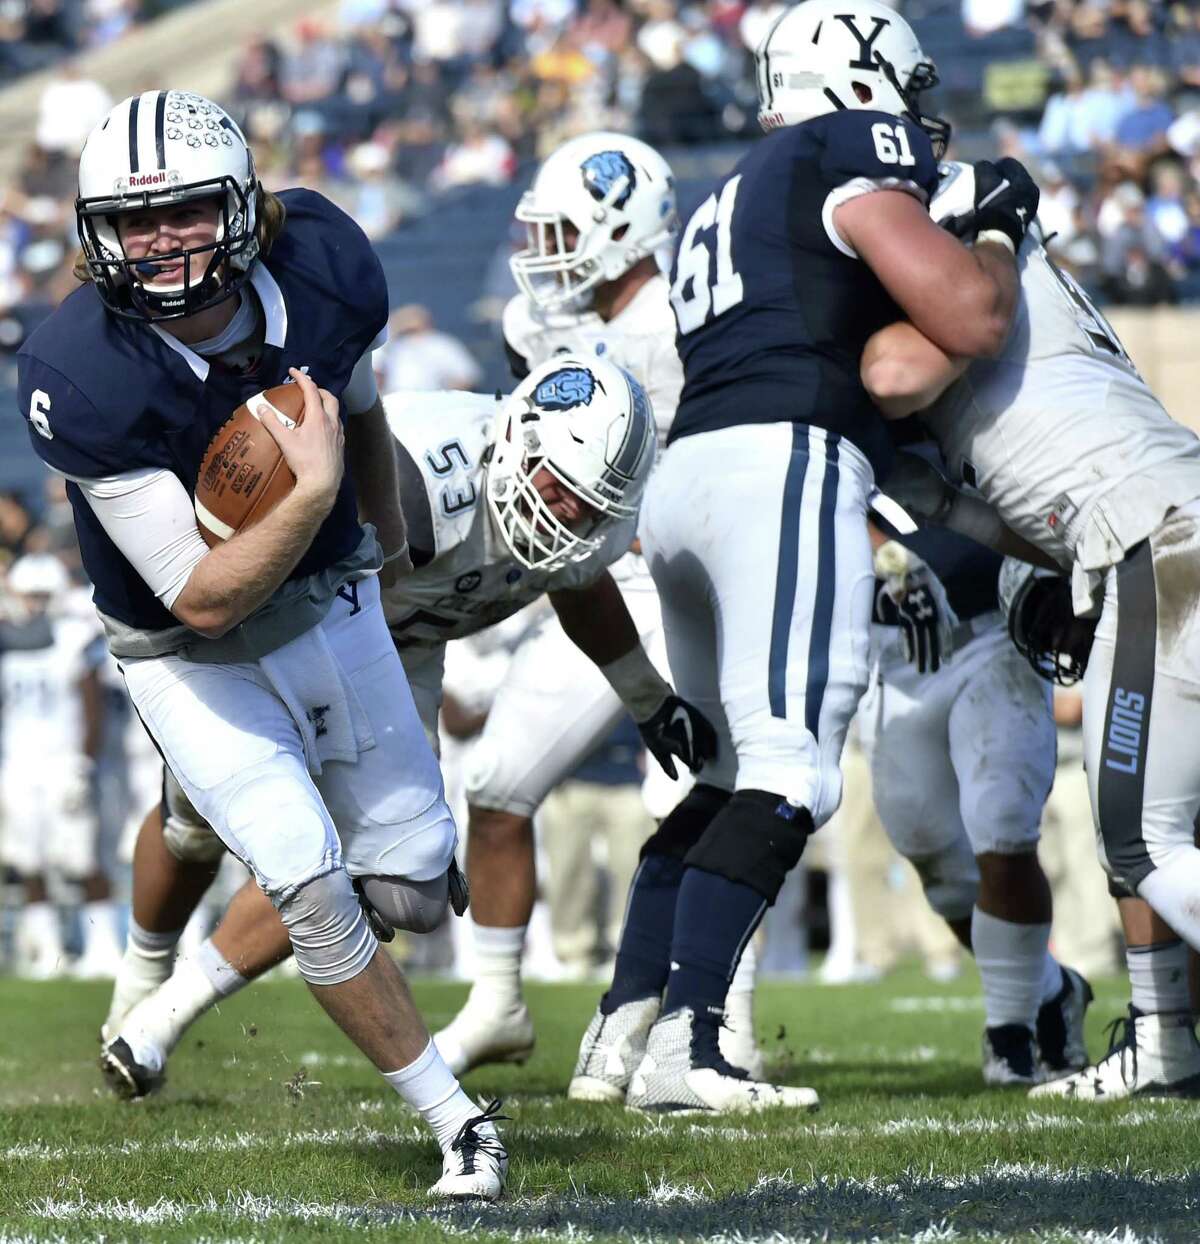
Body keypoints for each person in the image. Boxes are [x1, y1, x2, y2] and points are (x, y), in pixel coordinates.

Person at [17, 90, 503, 1199]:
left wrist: (374, 538)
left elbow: (365, 404)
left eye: (184, 211)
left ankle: (202, 819)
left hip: (332, 597)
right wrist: (313, 486)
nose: (159, 241)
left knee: (416, 894)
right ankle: (458, 1120)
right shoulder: (79, 369)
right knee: (303, 873)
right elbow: (199, 599)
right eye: (133, 223)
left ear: (241, 207)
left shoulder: (327, 259)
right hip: (184, 652)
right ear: (96, 232)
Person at [571, 0, 1041, 1115]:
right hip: (781, 468)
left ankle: (621, 1026)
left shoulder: (732, 194)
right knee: (792, 767)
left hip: (694, 479)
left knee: (724, 773)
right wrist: (998, 232)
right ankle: (693, 1041)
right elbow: (971, 319)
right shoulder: (847, 144)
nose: (922, 128)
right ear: (868, 75)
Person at [96, 353, 714, 1091]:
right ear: (517, 437)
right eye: (558, 488)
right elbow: (279, 566)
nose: (567, 516)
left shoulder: (580, 522)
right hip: (293, 626)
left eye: (589, 505)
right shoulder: (425, 479)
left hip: (401, 648)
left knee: (403, 887)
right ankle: (143, 987)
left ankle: (160, 1017)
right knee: (194, 826)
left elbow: (577, 582)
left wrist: (647, 699)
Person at [861, 158, 1200, 1100]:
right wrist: (949, 510)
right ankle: (1167, 1047)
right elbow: (1006, 506)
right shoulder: (1039, 335)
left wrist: (996, 236)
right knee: (1160, 828)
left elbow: (898, 367)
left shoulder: (984, 267)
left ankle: (1163, 1042)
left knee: (1143, 845)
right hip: (1155, 525)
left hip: (1154, 540)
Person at [435, 131, 761, 1082]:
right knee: (495, 785)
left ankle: (713, 1023)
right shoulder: (536, 325)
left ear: (626, 228)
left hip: (678, 582)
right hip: (584, 580)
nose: (545, 252)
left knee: (696, 791)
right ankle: (498, 1002)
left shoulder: (684, 320)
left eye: (565, 229)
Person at [859, 522, 1091, 1085]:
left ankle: (1009, 1031)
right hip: (894, 653)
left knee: (1003, 822)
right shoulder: (847, 434)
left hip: (993, 630)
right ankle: (1053, 990)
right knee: (936, 861)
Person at [1, 553, 121, 978]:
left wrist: (83, 761)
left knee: (81, 855)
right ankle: (47, 950)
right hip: (18, 760)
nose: (34, 604)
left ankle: (103, 946)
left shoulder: (72, 636)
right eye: (28, 595)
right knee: (26, 857)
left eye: (42, 595)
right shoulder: (6, 638)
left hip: (62, 759)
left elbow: (93, 707)